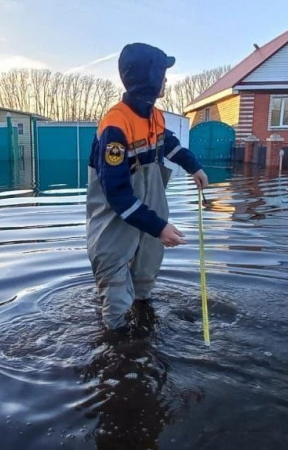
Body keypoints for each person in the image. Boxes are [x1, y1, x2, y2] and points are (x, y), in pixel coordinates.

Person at [86, 42, 208, 332]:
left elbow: (168, 143)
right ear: (150, 77)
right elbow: (116, 194)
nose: (167, 79)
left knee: (143, 280)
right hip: (114, 223)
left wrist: (194, 167)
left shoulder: (154, 116)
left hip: (145, 217)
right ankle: (114, 354)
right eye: (163, 72)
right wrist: (159, 227)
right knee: (115, 301)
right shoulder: (115, 126)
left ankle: (142, 328)